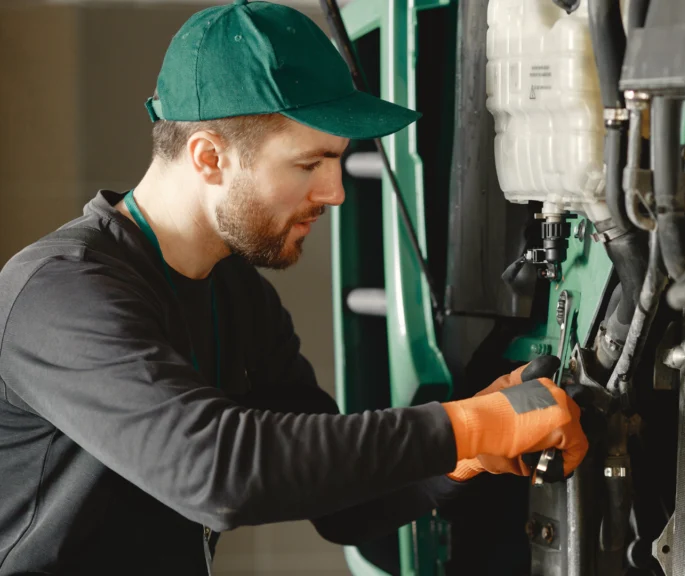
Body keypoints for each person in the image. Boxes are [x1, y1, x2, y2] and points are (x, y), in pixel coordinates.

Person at [0, 1, 587, 574]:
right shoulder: (59, 294)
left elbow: (343, 503)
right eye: (310, 164)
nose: (335, 192)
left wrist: (466, 453)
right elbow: (215, 471)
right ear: (209, 157)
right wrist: (463, 425)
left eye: (338, 162)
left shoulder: (236, 294)